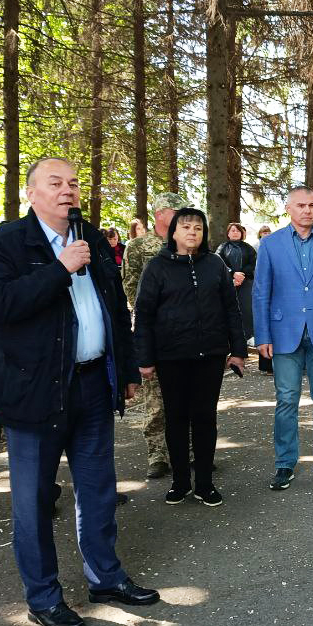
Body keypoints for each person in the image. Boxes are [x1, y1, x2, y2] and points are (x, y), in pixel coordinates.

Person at [0, 157, 157, 626]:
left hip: (93, 384)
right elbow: (0, 305)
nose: (67, 190)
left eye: (73, 183)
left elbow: (114, 307)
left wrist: (126, 368)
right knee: (33, 500)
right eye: (54, 182)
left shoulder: (91, 237)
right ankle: (43, 597)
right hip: (34, 391)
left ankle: (105, 578)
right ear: (31, 193)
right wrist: (59, 268)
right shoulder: (3, 242)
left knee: (98, 489)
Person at [135, 208, 247, 505]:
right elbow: (144, 314)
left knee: (205, 418)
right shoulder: (157, 267)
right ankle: (181, 481)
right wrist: (144, 358)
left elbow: (231, 309)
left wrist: (238, 350)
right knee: (176, 418)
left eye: (198, 228)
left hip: (210, 354)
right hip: (171, 356)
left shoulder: (215, 264)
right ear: (173, 232)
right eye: (186, 227)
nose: (192, 232)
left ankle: (205, 483)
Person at [253, 186, 313, 490]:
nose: (307, 210)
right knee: (286, 401)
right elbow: (261, 293)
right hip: (283, 335)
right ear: (288, 209)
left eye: (312, 205)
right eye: (300, 205)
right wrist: (262, 336)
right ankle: (284, 464)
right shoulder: (269, 245)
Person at [122, 192, 190, 480]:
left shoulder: (187, 243)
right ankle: (157, 454)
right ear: (161, 213)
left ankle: (188, 451)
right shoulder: (138, 246)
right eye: (177, 211)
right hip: (153, 332)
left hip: (185, 332)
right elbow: (130, 286)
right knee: (155, 398)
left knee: (187, 395)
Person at [216, 222, 257, 340]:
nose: (235, 233)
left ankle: (248, 335)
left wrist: (241, 275)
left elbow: (252, 263)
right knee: (227, 308)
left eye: (238, 230)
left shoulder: (248, 248)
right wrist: (232, 273)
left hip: (246, 282)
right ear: (228, 233)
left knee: (246, 309)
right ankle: (227, 336)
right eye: (232, 230)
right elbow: (219, 262)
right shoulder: (222, 247)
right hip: (227, 283)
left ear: (242, 233)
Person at [255, 225, 274, 373]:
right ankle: (266, 365)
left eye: (268, 232)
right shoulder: (256, 247)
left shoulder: (275, 246)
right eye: (264, 232)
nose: (266, 234)